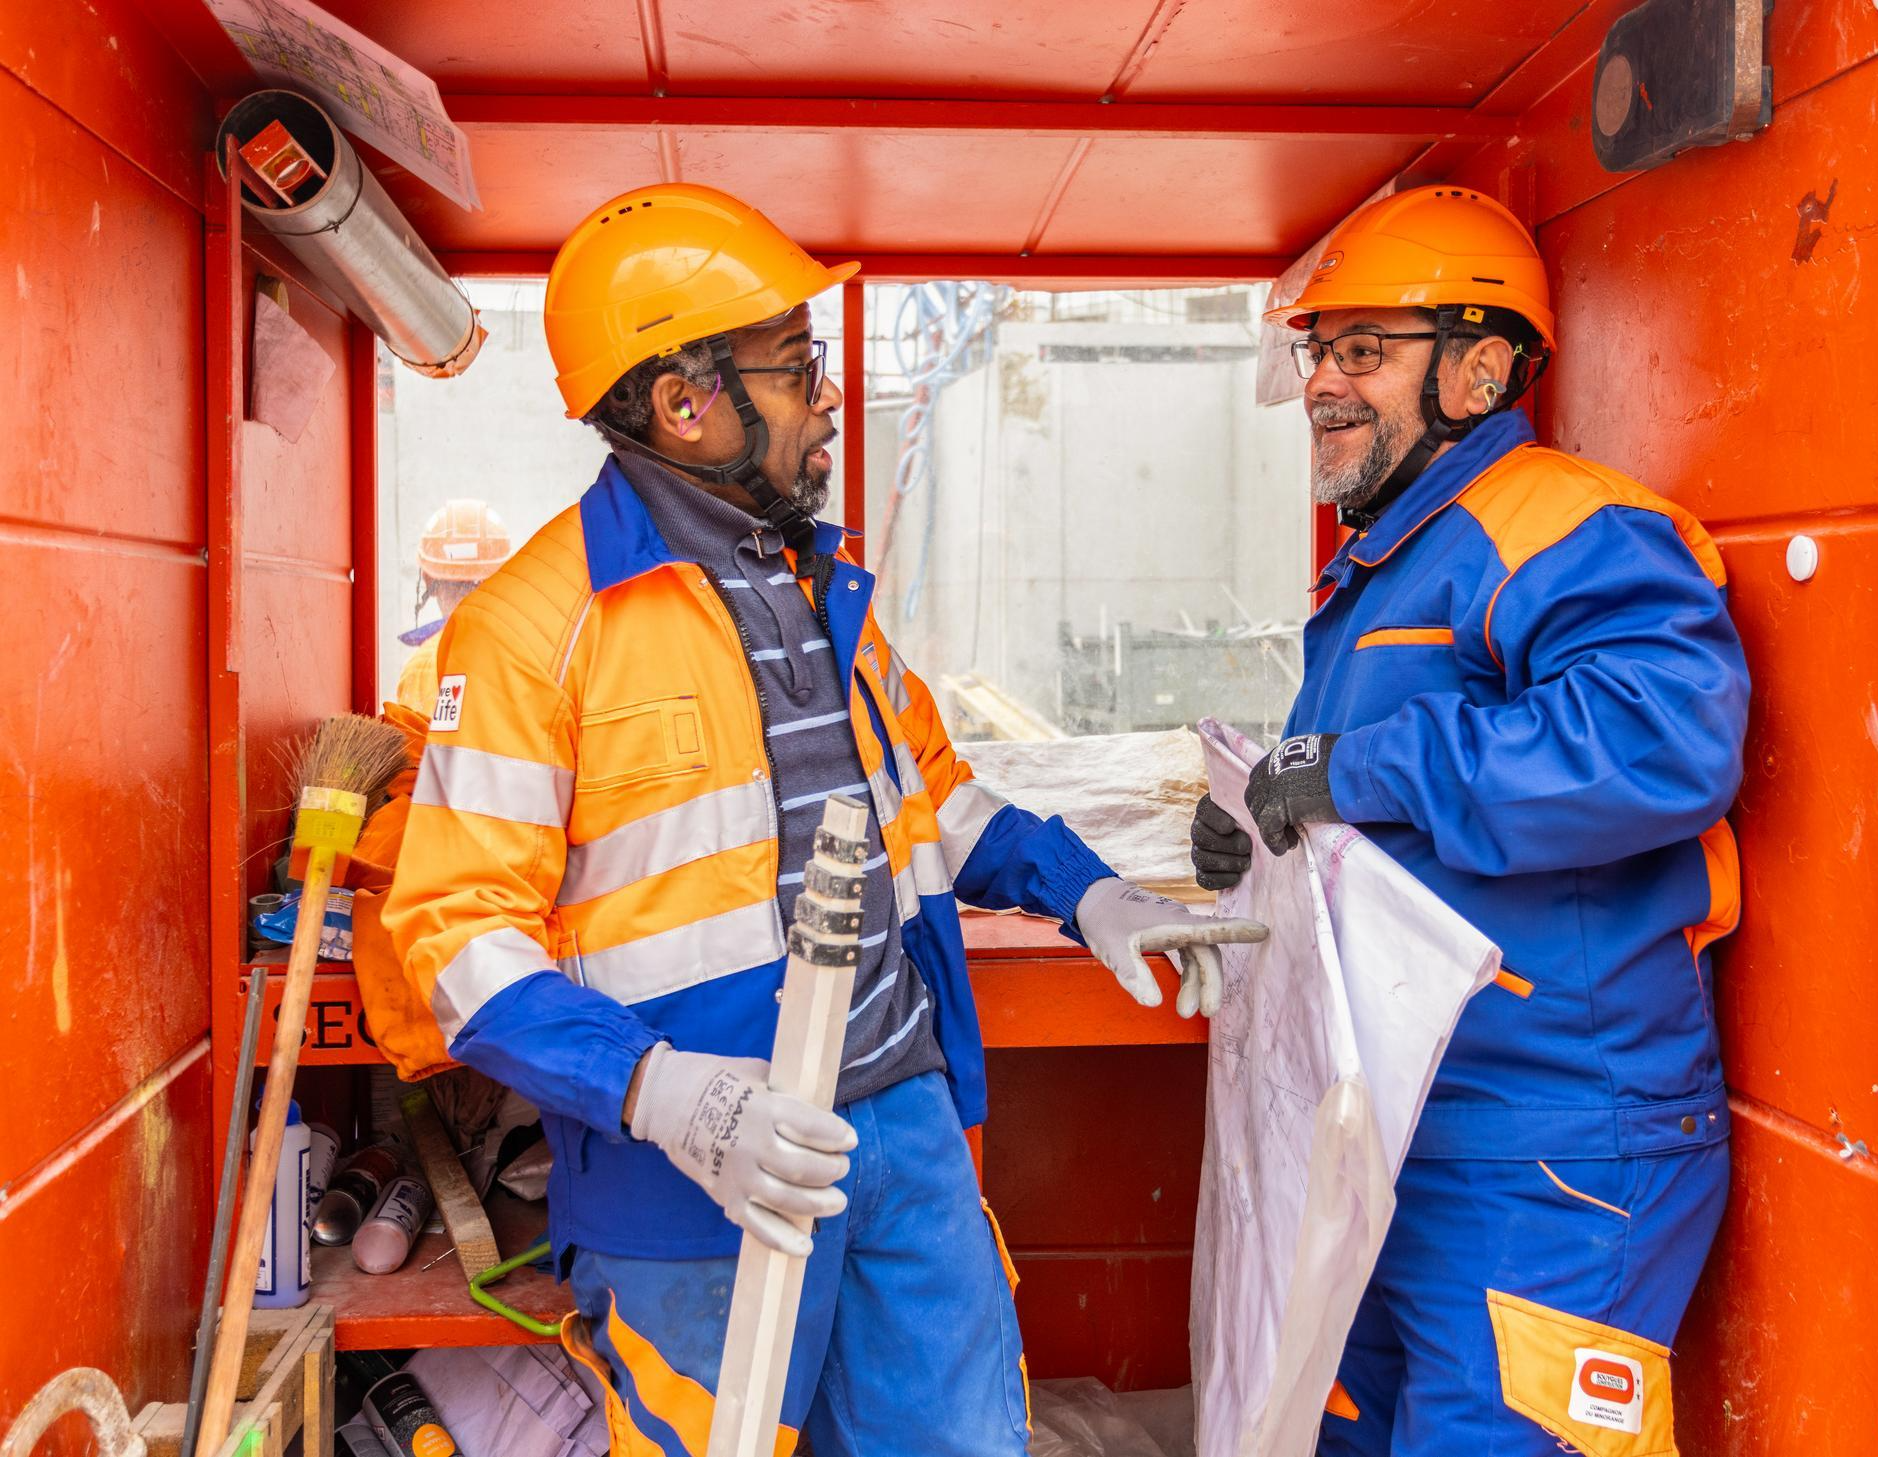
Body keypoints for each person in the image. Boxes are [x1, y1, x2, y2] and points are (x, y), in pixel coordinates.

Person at [383, 182, 1265, 1457]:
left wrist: (1091, 891)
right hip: (692, 1170)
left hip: (900, 1118)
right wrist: (666, 1094)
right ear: (686, 404)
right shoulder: (531, 627)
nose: (828, 395)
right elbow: (456, 942)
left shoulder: (818, 583)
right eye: (795, 366)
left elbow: (938, 801)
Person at [1190, 186, 1750, 1457]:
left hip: (1551, 1147)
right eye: (1317, 352)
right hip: (1400, 1129)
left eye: (1363, 351)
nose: (1326, 385)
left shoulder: (1566, 525)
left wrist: (1353, 769)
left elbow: (1656, 744)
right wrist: (1258, 831)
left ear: (1479, 367)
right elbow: (1370, 804)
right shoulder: (1389, 561)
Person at [393, 498, 509, 715]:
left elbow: (410, 744)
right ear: (501, 579)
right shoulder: (531, 654)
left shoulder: (420, 669)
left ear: (428, 580)